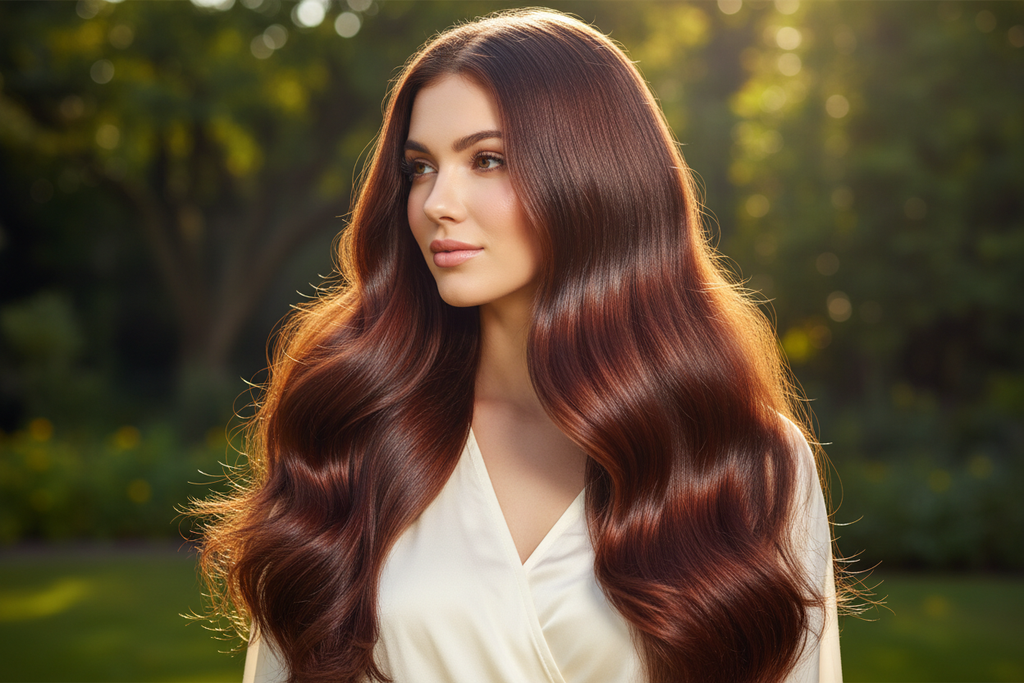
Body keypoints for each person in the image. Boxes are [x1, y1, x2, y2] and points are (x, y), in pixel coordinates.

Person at [195, 9, 843, 683]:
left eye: (488, 160)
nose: (438, 202)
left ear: (595, 175)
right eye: (420, 167)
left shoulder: (748, 459)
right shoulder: (353, 423)